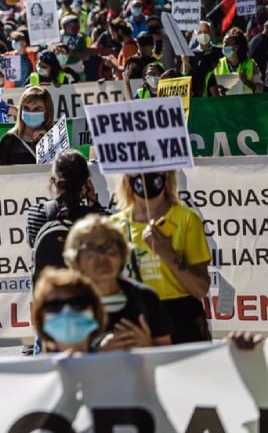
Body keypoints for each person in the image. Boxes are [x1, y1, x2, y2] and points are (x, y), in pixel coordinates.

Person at [111, 171, 211, 344]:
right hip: (136, 320)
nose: (145, 173)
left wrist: (166, 252)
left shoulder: (187, 219)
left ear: (167, 174)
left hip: (182, 319)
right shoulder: (114, 225)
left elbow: (200, 289)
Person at [64, 215, 172, 349]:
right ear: (76, 259)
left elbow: (167, 356)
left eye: (110, 249)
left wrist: (147, 345)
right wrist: (98, 354)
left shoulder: (146, 298)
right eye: (91, 251)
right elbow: (57, 363)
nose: (102, 258)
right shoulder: (65, 306)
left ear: (122, 255)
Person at [26, 149, 107, 286]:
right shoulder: (99, 219)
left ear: (53, 182)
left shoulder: (36, 214)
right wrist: (95, 204)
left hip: (52, 297)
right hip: (90, 296)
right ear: (86, 183)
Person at [32, 268, 107, 354]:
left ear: (95, 310)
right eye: (54, 305)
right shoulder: (36, 367)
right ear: (41, 317)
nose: (67, 311)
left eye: (78, 303)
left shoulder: (115, 365)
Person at [0, 86, 54, 166]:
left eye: (37, 109)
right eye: (26, 108)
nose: (31, 112)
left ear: (47, 111)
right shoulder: (9, 140)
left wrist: (48, 142)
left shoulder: (55, 138)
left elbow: (61, 173)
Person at [215, 28, 264, 93]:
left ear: (236, 47)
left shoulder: (251, 64)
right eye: (223, 43)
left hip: (246, 102)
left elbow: (260, 89)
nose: (224, 46)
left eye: (227, 44)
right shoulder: (218, 64)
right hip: (225, 102)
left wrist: (246, 82)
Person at [184, 21, 221, 97]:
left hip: (219, 96)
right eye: (200, 32)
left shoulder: (219, 51)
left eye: (205, 31)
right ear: (195, 35)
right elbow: (186, 77)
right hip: (199, 98)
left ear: (210, 33)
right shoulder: (190, 55)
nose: (203, 34)